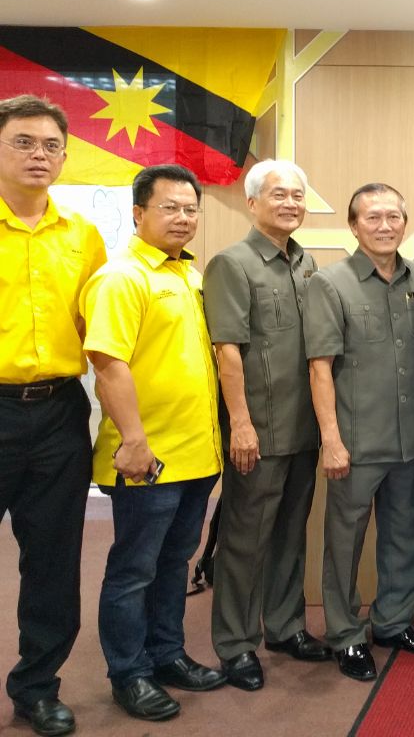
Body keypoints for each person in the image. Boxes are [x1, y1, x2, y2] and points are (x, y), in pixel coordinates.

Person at [84, 164, 226, 722]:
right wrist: (135, 440)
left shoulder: (188, 273)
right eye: (170, 207)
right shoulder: (122, 277)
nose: (183, 217)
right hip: (147, 458)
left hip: (196, 455)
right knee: (133, 570)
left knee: (174, 563)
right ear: (139, 213)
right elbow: (107, 362)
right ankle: (129, 673)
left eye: (191, 208)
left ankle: (167, 654)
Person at [304, 183, 414, 682]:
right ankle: (344, 633)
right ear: (353, 225)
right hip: (356, 442)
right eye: (373, 217)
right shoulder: (329, 283)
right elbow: (320, 367)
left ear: (405, 222)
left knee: (406, 536)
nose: (385, 226)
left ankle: (393, 622)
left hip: (413, 438)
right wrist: (331, 439)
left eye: (393, 217)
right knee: (345, 542)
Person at [0, 96, 106, 737]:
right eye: (23, 142)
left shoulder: (83, 236)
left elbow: (99, 330)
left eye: (51, 146)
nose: (39, 155)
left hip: (60, 412)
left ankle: (37, 688)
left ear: (65, 157)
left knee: (53, 561)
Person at [204, 160, 329, 691]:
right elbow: (226, 350)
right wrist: (240, 424)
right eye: (279, 194)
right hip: (258, 430)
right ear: (252, 202)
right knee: (244, 541)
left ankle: (285, 627)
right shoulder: (232, 264)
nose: (291, 203)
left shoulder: (306, 263)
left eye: (298, 195)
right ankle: (235, 645)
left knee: (290, 535)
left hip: (304, 428)